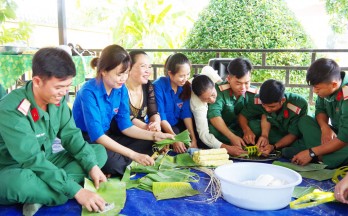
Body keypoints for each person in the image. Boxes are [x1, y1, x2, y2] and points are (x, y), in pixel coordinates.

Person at [0, 47, 108, 214]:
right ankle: (59, 193)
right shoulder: (11, 108)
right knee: (19, 183)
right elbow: (31, 159)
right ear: (37, 81)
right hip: (13, 168)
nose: (64, 93)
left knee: (98, 153)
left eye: (67, 86)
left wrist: (92, 166)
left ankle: (41, 195)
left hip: (47, 160)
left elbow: (72, 136)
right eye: (59, 87)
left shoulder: (56, 101)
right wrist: (76, 191)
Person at [73, 45, 174, 176]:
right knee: (114, 163)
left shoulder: (120, 89)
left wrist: (155, 135)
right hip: (87, 139)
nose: (124, 78)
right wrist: (134, 154)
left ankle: (124, 164)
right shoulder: (89, 92)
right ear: (103, 71)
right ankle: (120, 164)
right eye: (119, 74)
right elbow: (97, 136)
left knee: (151, 144)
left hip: (107, 135)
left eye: (126, 73)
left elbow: (126, 126)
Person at [290, 58, 348, 168]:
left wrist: (311, 152)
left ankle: (321, 157)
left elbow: (344, 138)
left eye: (317, 88)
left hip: (345, 139)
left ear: (334, 84)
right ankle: (324, 155)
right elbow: (320, 110)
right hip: (337, 133)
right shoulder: (326, 88)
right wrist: (324, 127)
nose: (314, 91)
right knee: (304, 120)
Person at [240, 79, 308, 157]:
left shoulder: (299, 104)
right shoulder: (258, 99)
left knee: (302, 144)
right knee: (252, 125)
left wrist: (274, 146)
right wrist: (247, 131)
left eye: (271, 106)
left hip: (293, 137)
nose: (267, 109)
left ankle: (276, 148)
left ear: (283, 100)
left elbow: (293, 134)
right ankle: (265, 145)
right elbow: (243, 116)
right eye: (263, 105)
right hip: (275, 133)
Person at [190, 66, 246, 156]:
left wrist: (220, 82)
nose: (212, 100)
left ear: (214, 85)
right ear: (200, 98)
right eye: (206, 99)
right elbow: (204, 134)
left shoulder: (214, 81)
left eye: (213, 94)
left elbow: (206, 68)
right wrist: (226, 149)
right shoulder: (197, 105)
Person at [207, 58, 258, 150]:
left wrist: (247, 130)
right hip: (225, 129)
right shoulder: (218, 90)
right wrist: (232, 137)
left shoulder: (254, 92)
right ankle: (233, 146)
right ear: (229, 79)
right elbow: (214, 116)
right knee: (211, 129)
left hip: (243, 130)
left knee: (257, 125)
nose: (243, 88)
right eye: (238, 83)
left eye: (247, 83)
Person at [153, 53, 198, 153]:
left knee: (194, 136)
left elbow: (186, 114)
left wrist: (193, 138)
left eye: (187, 74)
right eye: (181, 76)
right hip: (162, 127)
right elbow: (161, 117)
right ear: (170, 73)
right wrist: (175, 138)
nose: (185, 79)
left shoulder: (186, 87)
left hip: (177, 125)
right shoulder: (158, 86)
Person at [125, 51, 161, 132]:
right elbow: (128, 118)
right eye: (143, 66)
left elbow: (153, 112)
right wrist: (150, 129)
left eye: (149, 67)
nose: (148, 71)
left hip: (144, 130)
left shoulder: (147, 86)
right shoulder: (121, 88)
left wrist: (156, 123)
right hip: (125, 132)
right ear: (129, 68)